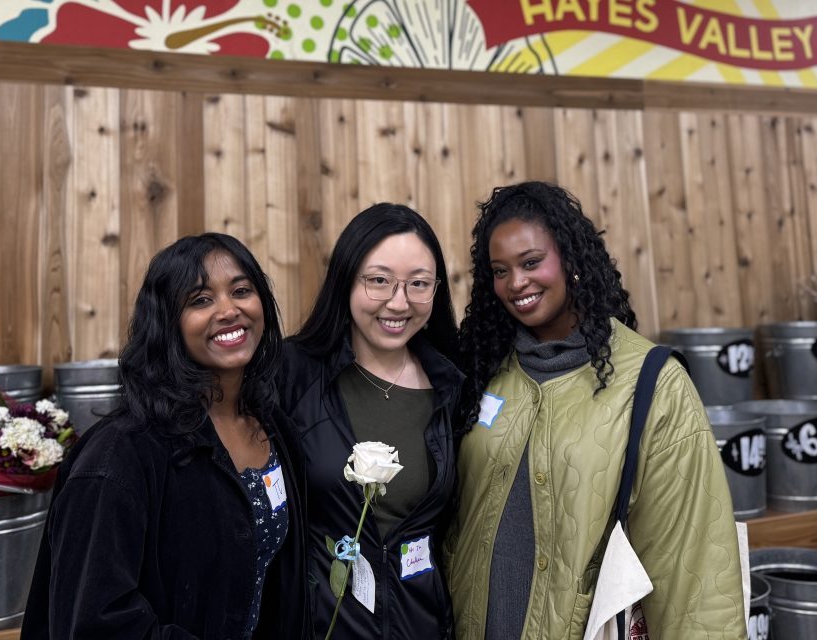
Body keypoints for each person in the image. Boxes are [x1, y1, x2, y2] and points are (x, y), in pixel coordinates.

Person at [445, 181, 747, 640]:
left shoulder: (653, 384)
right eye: (500, 271)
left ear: (570, 259)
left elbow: (694, 566)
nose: (516, 283)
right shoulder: (483, 369)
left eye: (531, 262)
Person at [21, 233, 309, 639]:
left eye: (241, 291)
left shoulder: (275, 430)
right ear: (167, 324)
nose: (229, 310)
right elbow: (93, 621)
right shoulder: (118, 457)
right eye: (200, 300)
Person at [279, 203, 462, 639]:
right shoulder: (291, 374)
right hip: (318, 625)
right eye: (378, 281)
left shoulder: (452, 388)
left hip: (420, 625)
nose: (398, 303)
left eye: (418, 284)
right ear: (346, 280)